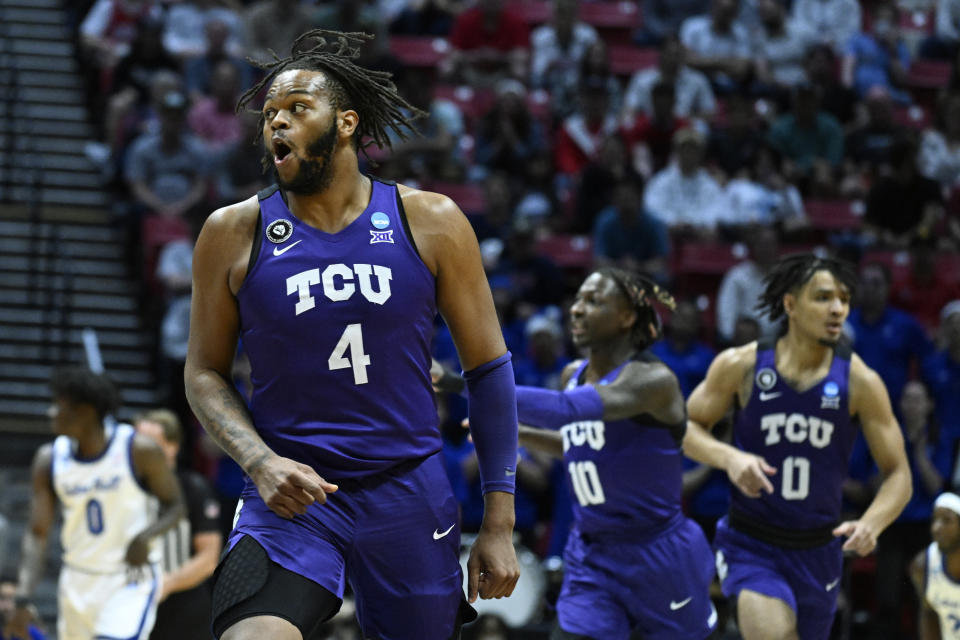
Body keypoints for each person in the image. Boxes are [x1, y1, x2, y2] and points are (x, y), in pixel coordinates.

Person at [183, 29, 520, 640]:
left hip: (408, 489)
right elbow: (203, 372)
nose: (276, 124)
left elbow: (490, 371)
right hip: (291, 491)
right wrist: (258, 462)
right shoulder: (232, 232)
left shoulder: (432, 221)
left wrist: (498, 521)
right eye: (269, 116)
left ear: (345, 123)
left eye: (296, 110)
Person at [442, 269, 719, 638]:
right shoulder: (574, 373)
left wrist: (454, 383)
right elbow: (579, 441)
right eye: (578, 300)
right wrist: (518, 433)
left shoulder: (652, 381)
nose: (576, 310)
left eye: (594, 301)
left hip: (658, 552)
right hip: (593, 552)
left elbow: (564, 411)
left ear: (627, 317)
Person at [683, 254, 912, 640]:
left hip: (819, 549)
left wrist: (873, 522)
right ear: (790, 304)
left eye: (843, 298)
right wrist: (730, 457)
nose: (838, 308)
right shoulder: (742, 365)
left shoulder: (861, 381)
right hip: (752, 542)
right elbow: (684, 428)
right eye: (823, 297)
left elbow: (899, 474)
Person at [13, 367, 185, 640]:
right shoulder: (49, 459)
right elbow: (37, 533)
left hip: (129, 578)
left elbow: (176, 506)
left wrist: (145, 537)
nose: (51, 413)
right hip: (77, 578)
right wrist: (22, 596)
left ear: (86, 412)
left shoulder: (138, 450)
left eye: (59, 406)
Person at [134, 409, 223, 640]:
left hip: (184, 610)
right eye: (136, 443)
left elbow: (208, 558)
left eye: (150, 443)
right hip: (131, 606)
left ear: (172, 447)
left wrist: (164, 585)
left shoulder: (193, 487)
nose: (140, 451)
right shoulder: (125, 490)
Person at [911, 492, 960, 639]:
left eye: (946, 520)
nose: (936, 528)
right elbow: (928, 616)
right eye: (934, 520)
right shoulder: (922, 565)